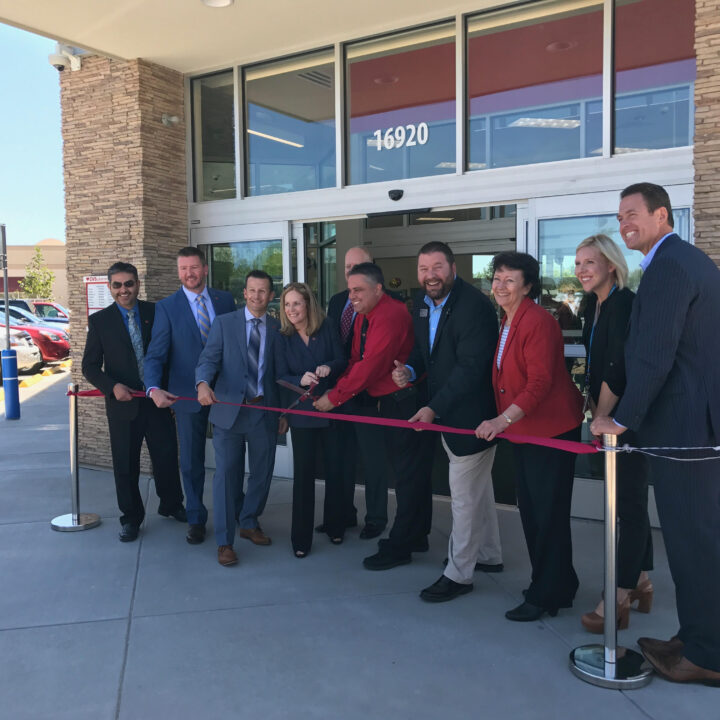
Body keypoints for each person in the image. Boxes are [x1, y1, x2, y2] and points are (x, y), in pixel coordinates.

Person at [591, 182, 720, 686]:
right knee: (696, 541)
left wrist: (620, 420)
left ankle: (706, 654)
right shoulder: (685, 261)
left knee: (694, 544)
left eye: (633, 214)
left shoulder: (670, 266)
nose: (624, 223)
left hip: (684, 432)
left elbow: (654, 353)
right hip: (693, 428)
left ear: (662, 215)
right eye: (619, 215)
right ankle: (695, 637)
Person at [475, 252, 584, 622]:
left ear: (528, 286)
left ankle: (546, 594)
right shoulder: (508, 319)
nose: (500, 286)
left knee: (546, 515)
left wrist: (501, 420)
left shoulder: (537, 321)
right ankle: (557, 584)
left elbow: (540, 383)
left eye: (509, 280)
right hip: (526, 430)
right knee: (535, 512)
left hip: (549, 430)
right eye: (497, 278)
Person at [392, 242, 501, 603]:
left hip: (472, 417)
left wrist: (433, 408)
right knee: (477, 492)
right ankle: (488, 554)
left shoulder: (474, 307)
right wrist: (408, 370)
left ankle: (459, 573)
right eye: (424, 268)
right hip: (447, 413)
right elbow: (427, 355)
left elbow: (471, 369)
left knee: (463, 500)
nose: (430, 275)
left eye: (437, 267)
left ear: (453, 267)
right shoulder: (423, 305)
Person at [314, 262, 433, 570]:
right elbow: (356, 359)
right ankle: (416, 535)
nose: (352, 296)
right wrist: (338, 389)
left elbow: (372, 365)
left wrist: (335, 397)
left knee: (406, 476)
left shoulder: (390, 315)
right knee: (408, 473)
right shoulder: (362, 316)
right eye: (350, 289)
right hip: (385, 401)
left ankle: (402, 544)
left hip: (403, 402)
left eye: (359, 290)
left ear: (378, 289)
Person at [574, 234, 653, 633]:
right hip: (605, 413)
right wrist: (591, 406)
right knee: (626, 502)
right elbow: (594, 363)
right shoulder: (594, 305)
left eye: (590, 262)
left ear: (610, 265)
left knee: (630, 506)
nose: (582, 270)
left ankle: (620, 593)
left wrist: (602, 418)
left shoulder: (624, 304)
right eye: (577, 263)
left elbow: (618, 366)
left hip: (627, 420)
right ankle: (641, 581)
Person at [82, 262, 185, 542]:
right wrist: (111, 386)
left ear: (137, 284)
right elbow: (89, 366)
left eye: (129, 283)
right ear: (110, 287)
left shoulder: (155, 312)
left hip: (157, 401)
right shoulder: (101, 321)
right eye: (117, 285)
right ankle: (131, 518)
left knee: (165, 456)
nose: (123, 290)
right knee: (125, 465)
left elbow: (170, 354)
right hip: (122, 406)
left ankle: (171, 503)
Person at [144, 247, 235, 545]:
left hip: (226, 394)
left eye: (194, 268)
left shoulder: (225, 301)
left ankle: (235, 508)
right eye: (183, 269)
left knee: (231, 457)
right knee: (192, 461)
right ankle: (196, 517)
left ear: (205, 269)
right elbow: (155, 355)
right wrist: (153, 388)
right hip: (186, 396)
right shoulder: (167, 307)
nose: (188, 274)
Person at [195, 270, 282, 567]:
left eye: (263, 291)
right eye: (252, 290)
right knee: (225, 476)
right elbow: (208, 360)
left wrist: (283, 412)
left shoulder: (278, 328)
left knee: (262, 472)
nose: (257, 296)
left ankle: (248, 521)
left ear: (271, 296)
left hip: (263, 412)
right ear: (244, 293)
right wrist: (202, 383)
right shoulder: (224, 323)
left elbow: (280, 375)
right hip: (228, 412)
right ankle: (224, 542)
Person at [274, 283, 346, 557]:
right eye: (287, 304)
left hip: (329, 409)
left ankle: (335, 527)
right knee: (303, 478)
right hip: (302, 414)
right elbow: (279, 375)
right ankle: (300, 540)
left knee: (335, 471)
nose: (292, 310)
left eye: (297, 303)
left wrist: (330, 366)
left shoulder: (326, 327)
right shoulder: (282, 336)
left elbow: (341, 360)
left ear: (308, 305)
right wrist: (299, 379)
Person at [320, 246, 373, 535]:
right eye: (347, 267)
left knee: (364, 460)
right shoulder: (337, 300)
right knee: (337, 457)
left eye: (357, 266)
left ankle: (372, 519)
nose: (350, 272)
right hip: (335, 391)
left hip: (363, 395)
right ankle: (340, 515)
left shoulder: (377, 302)